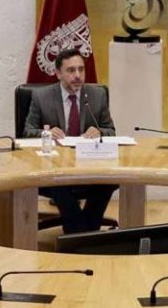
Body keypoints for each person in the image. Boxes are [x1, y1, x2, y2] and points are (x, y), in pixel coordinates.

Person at [24, 48, 118, 234]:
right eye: (71, 70)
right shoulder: (41, 97)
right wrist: (47, 133)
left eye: (81, 70)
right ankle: (84, 236)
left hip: (89, 165)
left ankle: (79, 235)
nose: (77, 75)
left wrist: (99, 132)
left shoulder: (97, 95)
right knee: (59, 183)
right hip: (55, 166)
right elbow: (27, 132)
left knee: (108, 181)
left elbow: (111, 131)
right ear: (58, 73)